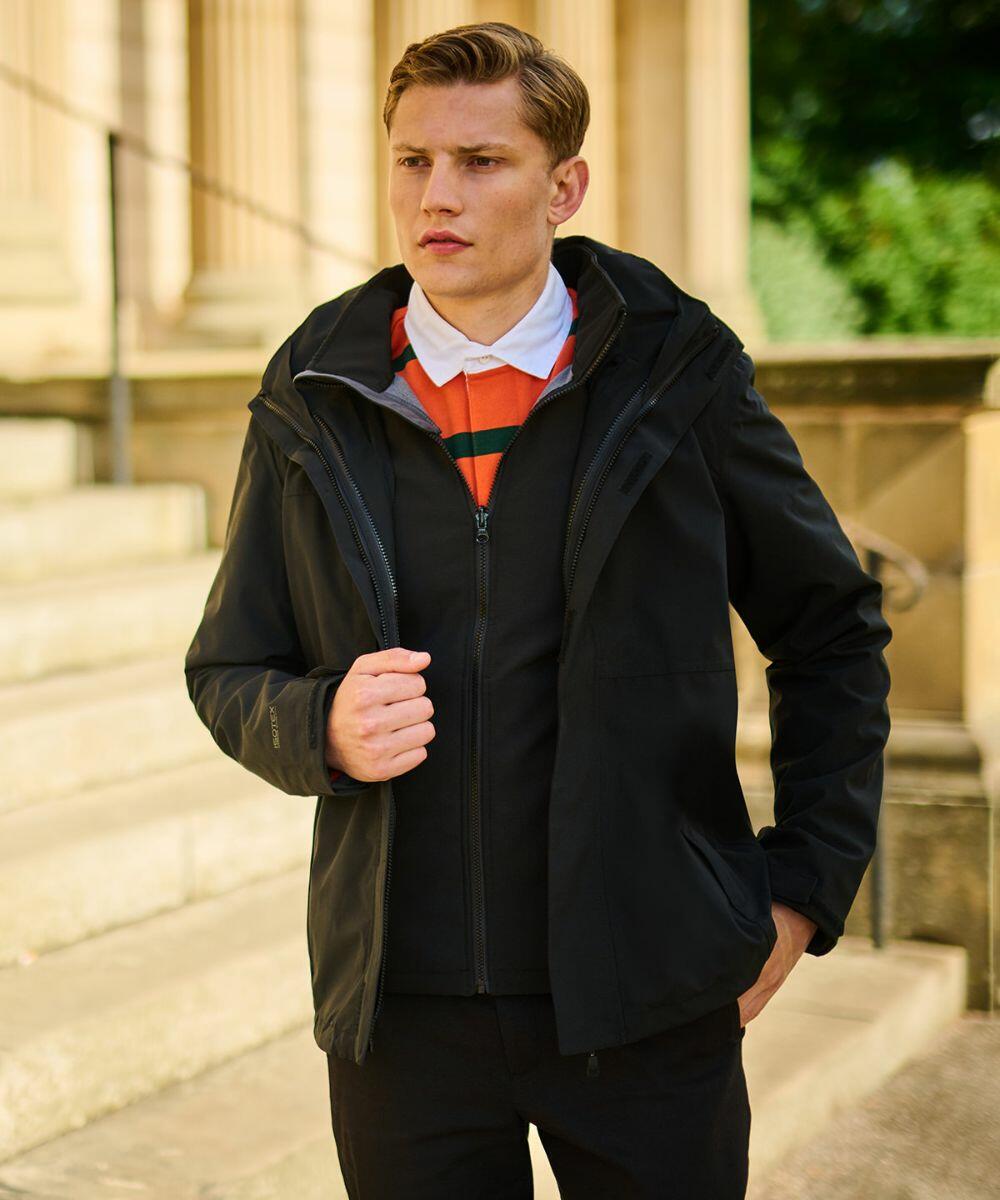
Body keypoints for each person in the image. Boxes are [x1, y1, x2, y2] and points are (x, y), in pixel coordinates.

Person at [184, 20, 892, 1200]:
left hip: (646, 994)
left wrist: (802, 886)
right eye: (412, 161)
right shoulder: (315, 388)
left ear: (563, 185)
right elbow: (228, 667)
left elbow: (830, 630)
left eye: (481, 162)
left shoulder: (678, 373)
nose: (436, 196)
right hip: (399, 1018)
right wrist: (319, 729)